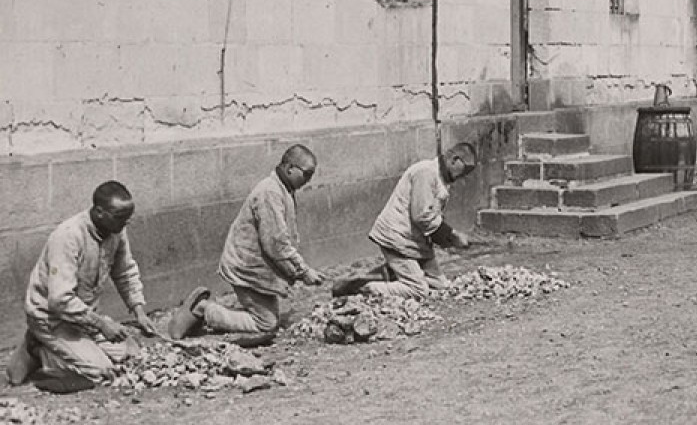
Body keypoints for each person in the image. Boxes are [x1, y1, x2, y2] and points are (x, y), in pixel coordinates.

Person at [167, 145, 325, 339]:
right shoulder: (270, 192)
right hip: (246, 266)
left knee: (268, 313)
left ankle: (211, 308)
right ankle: (202, 309)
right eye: (307, 174)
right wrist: (303, 271)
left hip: (257, 268)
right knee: (266, 324)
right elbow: (276, 244)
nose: (309, 180)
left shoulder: (282, 188)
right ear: (289, 167)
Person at [7, 181, 156, 386]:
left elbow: (125, 271)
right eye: (120, 217)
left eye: (128, 217)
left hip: (83, 317)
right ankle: (37, 348)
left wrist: (138, 311)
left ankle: (68, 349)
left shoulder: (116, 231)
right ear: (99, 211)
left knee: (130, 353)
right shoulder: (68, 236)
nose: (125, 223)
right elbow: (59, 300)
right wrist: (102, 324)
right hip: (51, 318)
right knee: (101, 371)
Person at [329, 142, 478, 299]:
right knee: (418, 290)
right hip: (397, 237)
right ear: (454, 159)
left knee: (440, 285)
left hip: (416, 240)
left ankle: (373, 277)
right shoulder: (425, 172)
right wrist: (452, 234)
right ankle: (364, 289)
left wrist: (448, 240)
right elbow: (421, 216)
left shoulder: (441, 179)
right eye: (466, 169)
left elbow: (433, 216)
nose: (465, 175)